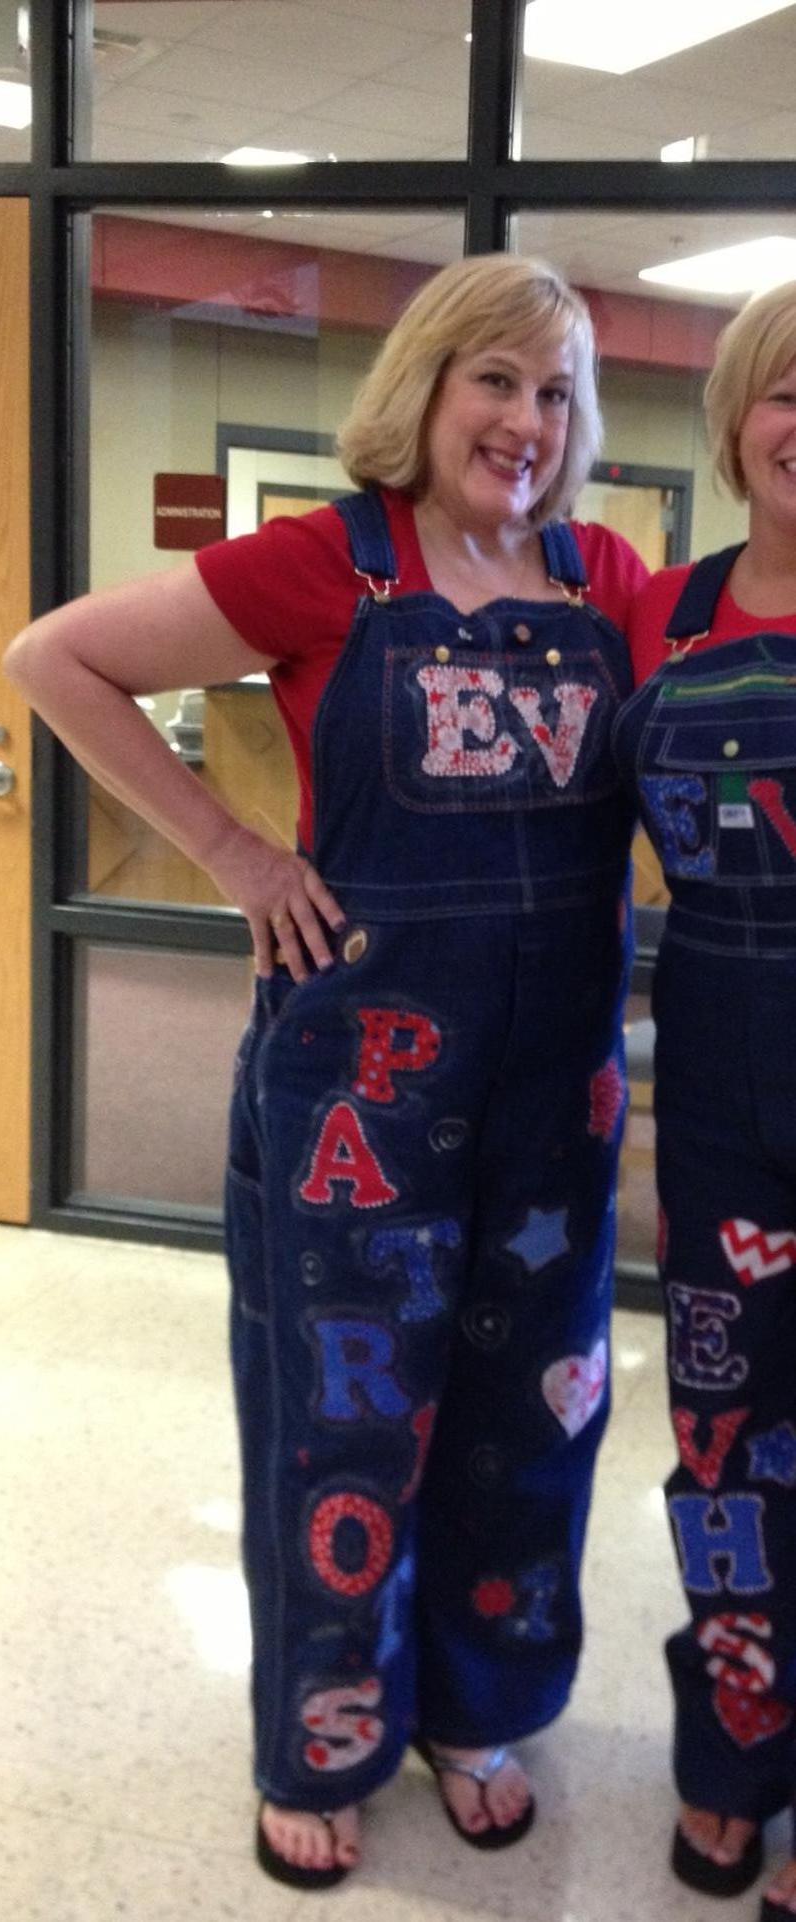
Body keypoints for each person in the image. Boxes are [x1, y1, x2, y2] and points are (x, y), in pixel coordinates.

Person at [4, 253, 647, 1890]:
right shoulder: (326, 563)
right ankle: (324, 1730)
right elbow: (52, 659)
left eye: (555, 390)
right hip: (356, 1092)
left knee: (534, 1409)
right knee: (340, 1425)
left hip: (553, 1095)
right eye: (493, 378)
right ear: (424, 384)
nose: (524, 419)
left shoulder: (605, 579)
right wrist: (232, 850)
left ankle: (478, 1707)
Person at [618, 279, 796, 1919]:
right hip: (724, 1100)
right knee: (719, 1437)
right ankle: (732, 1748)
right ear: (737, 416)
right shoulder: (659, 617)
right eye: (788, 389)